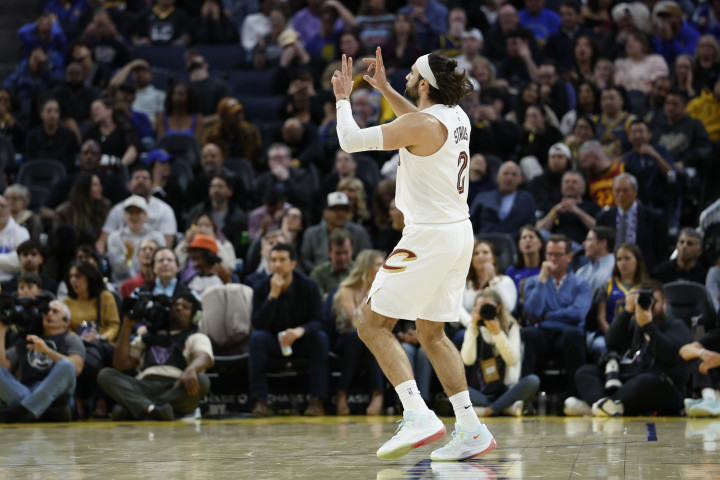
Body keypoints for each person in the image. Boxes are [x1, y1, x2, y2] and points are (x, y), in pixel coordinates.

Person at [331, 48, 496, 461]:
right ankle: (471, 429)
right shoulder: (456, 116)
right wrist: (386, 88)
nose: (404, 76)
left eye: (410, 74)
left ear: (424, 84)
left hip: (428, 236)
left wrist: (342, 99)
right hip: (459, 232)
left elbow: (350, 141)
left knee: (371, 324)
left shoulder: (422, 123)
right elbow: (418, 124)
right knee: (431, 333)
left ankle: (417, 413)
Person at [570, 280, 692, 416]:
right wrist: (627, 312)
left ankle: (596, 406)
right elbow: (610, 342)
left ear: (664, 303)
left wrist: (648, 326)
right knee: (585, 371)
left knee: (647, 381)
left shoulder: (676, 325)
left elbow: (671, 354)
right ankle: (607, 406)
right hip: (628, 383)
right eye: (644, 301)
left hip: (662, 389)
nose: (649, 305)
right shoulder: (633, 324)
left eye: (654, 301)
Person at [98, 292, 214, 421]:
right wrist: (127, 325)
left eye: (185, 307)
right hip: (143, 386)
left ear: (195, 316)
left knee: (202, 380)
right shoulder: (147, 337)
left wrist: (191, 369)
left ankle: (142, 408)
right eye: (176, 305)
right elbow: (120, 364)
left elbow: (204, 358)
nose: (179, 308)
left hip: (174, 387)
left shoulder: (195, 337)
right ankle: (156, 411)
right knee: (105, 374)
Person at [249, 244, 329, 417]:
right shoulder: (261, 287)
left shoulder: (309, 286)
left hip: (300, 341)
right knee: (257, 338)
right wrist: (272, 296)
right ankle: (260, 400)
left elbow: (320, 320)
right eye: (273, 260)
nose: (277, 264)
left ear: (292, 263)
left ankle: (317, 400)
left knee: (320, 338)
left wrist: (301, 330)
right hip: (273, 342)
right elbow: (258, 324)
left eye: (282, 260)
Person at [520, 234, 591, 390]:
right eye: (549, 254)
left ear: (569, 257)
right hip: (542, 333)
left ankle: (575, 393)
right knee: (527, 333)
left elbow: (578, 314)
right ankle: (524, 393)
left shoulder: (581, 284)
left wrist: (545, 317)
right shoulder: (533, 282)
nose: (552, 259)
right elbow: (532, 312)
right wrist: (542, 279)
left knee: (574, 334)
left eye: (558, 255)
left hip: (566, 333)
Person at [0, 300, 84, 422]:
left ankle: (20, 413)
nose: (49, 313)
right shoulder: (29, 338)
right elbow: (3, 366)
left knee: (66, 365)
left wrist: (47, 351)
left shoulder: (71, 338)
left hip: (56, 395)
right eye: (47, 311)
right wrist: (2, 330)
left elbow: (76, 368)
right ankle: (35, 411)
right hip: (25, 391)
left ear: (66, 322)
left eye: (55, 311)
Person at [462, 289, 540, 417]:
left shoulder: (511, 326)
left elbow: (512, 359)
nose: (484, 310)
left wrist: (497, 333)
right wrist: (472, 328)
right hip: (480, 392)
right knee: (451, 387)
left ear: (498, 308)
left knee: (533, 380)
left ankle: (487, 410)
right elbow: (467, 360)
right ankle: (504, 408)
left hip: (507, 391)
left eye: (488, 307)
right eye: (480, 307)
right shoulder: (474, 328)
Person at [63, 260, 120, 418]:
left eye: (78, 276)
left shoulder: (105, 297)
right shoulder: (66, 302)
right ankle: (84, 401)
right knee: (78, 355)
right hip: (78, 344)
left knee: (90, 358)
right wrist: (78, 339)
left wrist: (100, 337)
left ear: (89, 277)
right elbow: (65, 328)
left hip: (102, 344)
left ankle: (93, 400)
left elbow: (114, 325)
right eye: (71, 276)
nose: (73, 280)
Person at [332, 249, 386, 415]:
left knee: (373, 338)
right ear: (366, 267)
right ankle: (342, 393)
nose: (383, 267)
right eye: (378, 264)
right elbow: (355, 322)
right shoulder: (347, 289)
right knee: (357, 337)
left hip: (374, 335)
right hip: (347, 336)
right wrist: (368, 297)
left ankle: (378, 394)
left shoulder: (385, 287)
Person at [595, 173, 668, 272]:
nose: (621, 195)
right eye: (617, 191)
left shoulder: (654, 217)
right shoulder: (603, 218)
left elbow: (661, 249)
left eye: (625, 191)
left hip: (644, 270)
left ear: (635, 192)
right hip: (610, 271)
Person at [98, 165, 177, 254]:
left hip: (151, 256)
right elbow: (103, 240)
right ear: (129, 184)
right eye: (136, 178)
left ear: (153, 184)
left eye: (145, 178)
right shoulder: (117, 210)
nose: (140, 181)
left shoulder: (165, 210)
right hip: (122, 256)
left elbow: (166, 247)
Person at [589, 243, 647, 356]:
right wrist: (612, 335)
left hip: (635, 336)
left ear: (637, 261)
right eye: (619, 259)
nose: (622, 263)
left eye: (627, 258)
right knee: (601, 345)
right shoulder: (607, 286)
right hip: (607, 334)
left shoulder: (645, 287)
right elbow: (600, 318)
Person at [300, 192, 372, 273]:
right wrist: (320, 273)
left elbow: (367, 258)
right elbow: (305, 260)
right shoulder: (311, 233)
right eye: (335, 209)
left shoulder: (360, 232)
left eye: (344, 209)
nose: (340, 213)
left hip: (353, 276)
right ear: (324, 213)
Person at [107, 195, 167, 284]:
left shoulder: (156, 237)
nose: (134, 216)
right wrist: (128, 255)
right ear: (125, 215)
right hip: (123, 284)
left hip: (152, 283)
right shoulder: (115, 237)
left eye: (138, 212)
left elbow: (163, 262)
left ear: (145, 215)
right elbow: (117, 271)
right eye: (130, 212)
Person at [470, 161, 537, 237]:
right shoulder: (482, 197)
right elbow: (470, 223)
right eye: (505, 173)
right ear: (497, 177)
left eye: (514, 174)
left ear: (520, 179)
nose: (509, 178)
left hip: (514, 241)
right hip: (483, 240)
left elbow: (531, 226)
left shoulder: (527, 200)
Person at [54, 173, 111, 245]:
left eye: (100, 184)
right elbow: (59, 237)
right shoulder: (64, 211)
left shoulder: (105, 207)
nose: (100, 188)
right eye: (95, 185)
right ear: (84, 188)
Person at [25, 97, 79, 171]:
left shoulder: (70, 136)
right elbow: (29, 163)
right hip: (38, 175)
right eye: (49, 111)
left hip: (64, 176)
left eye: (56, 111)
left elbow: (72, 163)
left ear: (59, 114)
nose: (52, 115)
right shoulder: (32, 137)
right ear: (41, 114)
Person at [310, 229, 353, 299]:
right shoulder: (318, 273)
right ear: (329, 252)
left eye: (346, 252)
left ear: (351, 251)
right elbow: (316, 299)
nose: (342, 257)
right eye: (338, 253)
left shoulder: (360, 271)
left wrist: (329, 297)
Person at [575, 226, 616, 294]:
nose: (584, 244)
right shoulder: (581, 272)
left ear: (602, 243)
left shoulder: (617, 268)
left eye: (589, 239)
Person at [506, 225, 544, 296]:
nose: (527, 240)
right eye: (524, 237)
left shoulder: (546, 270)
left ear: (540, 243)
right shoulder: (511, 271)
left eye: (531, 237)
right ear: (519, 245)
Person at [0, 195, 30, 283]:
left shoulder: (21, 232)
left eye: (2, 206)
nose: (0, 209)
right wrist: (9, 258)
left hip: (12, 283)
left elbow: (21, 260)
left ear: (9, 209)